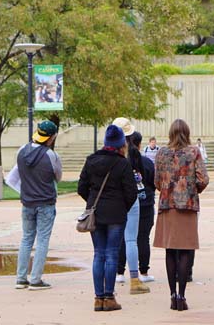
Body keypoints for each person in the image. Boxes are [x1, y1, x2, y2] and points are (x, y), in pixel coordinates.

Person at [77, 125, 137, 312]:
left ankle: (98, 297)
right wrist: (122, 206)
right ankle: (109, 296)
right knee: (112, 254)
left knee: (99, 254)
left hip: (96, 213)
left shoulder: (91, 160)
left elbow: (81, 187)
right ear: (120, 144)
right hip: (116, 214)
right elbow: (131, 192)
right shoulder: (122, 163)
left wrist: (93, 202)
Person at [153, 119, 209, 311]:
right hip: (187, 204)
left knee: (170, 250)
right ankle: (182, 295)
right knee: (185, 250)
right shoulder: (193, 152)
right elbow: (203, 178)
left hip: (168, 205)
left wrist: (168, 188)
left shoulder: (161, 153)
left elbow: (157, 180)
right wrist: (192, 189)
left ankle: (172, 295)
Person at [12, 120, 62, 291]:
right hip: (46, 202)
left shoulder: (21, 151)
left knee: (26, 238)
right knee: (42, 240)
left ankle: (20, 278)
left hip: (27, 202)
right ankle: (35, 279)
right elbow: (58, 176)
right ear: (52, 137)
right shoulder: (51, 155)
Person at [111, 118, 150, 295]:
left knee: (112, 242)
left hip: (114, 200)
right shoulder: (133, 156)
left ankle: (114, 277)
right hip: (132, 199)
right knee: (131, 240)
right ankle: (135, 278)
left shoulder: (109, 156)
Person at [116, 131, 157, 285]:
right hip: (145, 202)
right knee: (142, 237)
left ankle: (120, 271)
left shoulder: (122, 162)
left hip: (125, 203)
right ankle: (144, 271)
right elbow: (154, 183)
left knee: (124, 238)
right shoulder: (147, 162)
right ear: (140, 144)